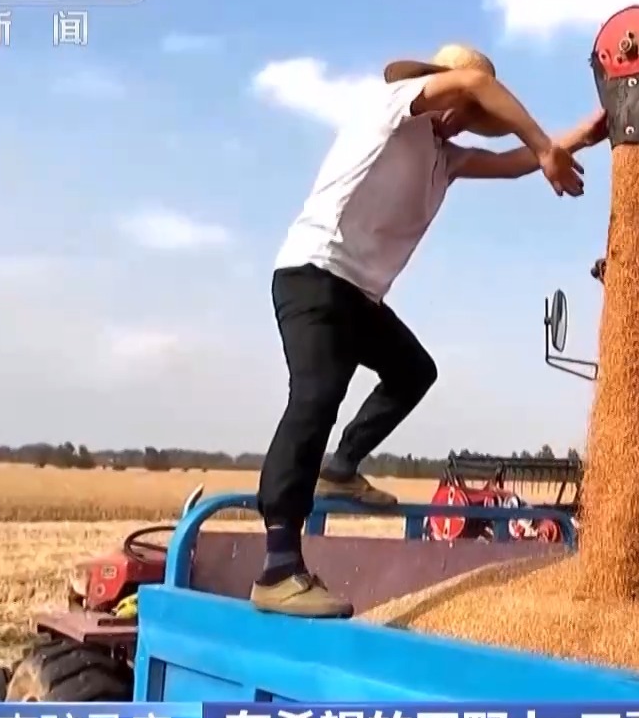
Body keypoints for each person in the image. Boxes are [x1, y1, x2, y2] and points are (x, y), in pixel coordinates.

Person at [253, 43, 608, 618]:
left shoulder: (446, 159)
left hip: (358, 295)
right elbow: (479, 91)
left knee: (413, 370)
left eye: (471, 117)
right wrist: (545, 147)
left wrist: (579, 138)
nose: (460, 122)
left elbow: (511, 164)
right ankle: (277, 567)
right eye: (461, 105)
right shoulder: (396, 105)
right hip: (314, 274)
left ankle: (341, 468)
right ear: (442, 86)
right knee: (316, 395)